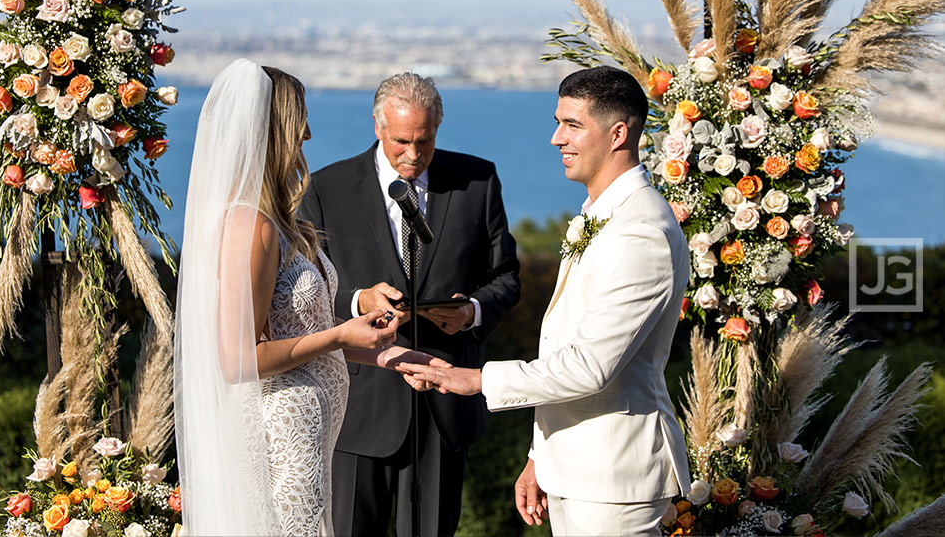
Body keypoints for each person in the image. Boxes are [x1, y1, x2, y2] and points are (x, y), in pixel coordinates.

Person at [399, 66, 692, 537]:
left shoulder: (639, 231)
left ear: (618, 134)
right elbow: (565, 345)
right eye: (558, 122)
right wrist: (542, 456)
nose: (557, 138)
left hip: (614, 480)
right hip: (578, 469)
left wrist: (475, 379)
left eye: (573, 124)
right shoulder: (602, 215)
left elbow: (591, 367)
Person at [173, 59, 445, 537]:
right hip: (281, 434)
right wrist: (341, 333)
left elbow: (301, 332)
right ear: (272, 129)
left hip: (311, 433)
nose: (309, 134)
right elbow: (238, 360)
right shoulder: (249, 226)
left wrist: (389, 354)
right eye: (300, 120)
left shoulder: (281, 222)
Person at [298, 72, 520, 537]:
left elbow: (505, 278)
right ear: (378, 127)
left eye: (425, 140)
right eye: (402, 141)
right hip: (360, 405)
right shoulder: (325, 188)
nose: (413, 155)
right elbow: (306, 288)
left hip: (445, 403)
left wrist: (471, 312)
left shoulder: (477, 181)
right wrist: (358, 299)